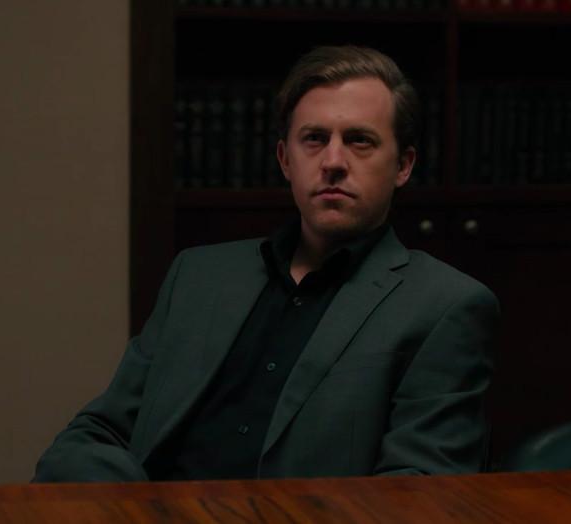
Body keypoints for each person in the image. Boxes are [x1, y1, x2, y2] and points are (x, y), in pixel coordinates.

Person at [32, 46, 499, 482]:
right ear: (285, 159)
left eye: (359, 141)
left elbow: (420, 493)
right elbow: (97, 435)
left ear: (403, 165)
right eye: (314, 139)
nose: (333, 161)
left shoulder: (445, 307)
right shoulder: (198, 277)